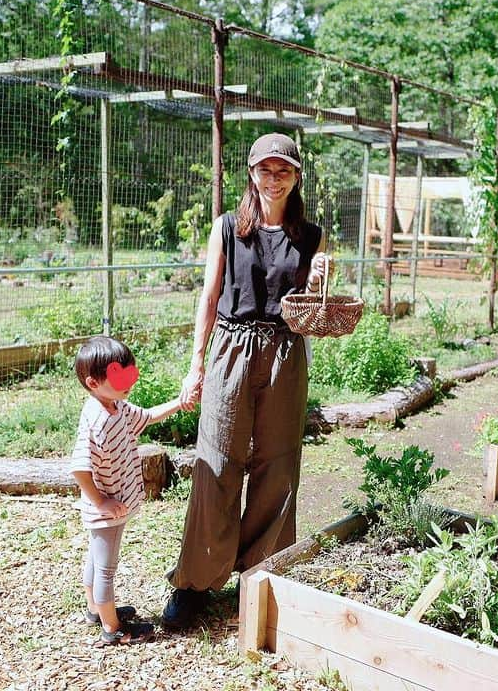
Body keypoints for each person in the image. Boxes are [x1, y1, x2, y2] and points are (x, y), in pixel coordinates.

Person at [161, 132, 328, 629]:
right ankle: (195, 582)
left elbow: (314, 309)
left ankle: (262, 576)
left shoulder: (311, 235)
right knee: (216, 461)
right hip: (231, 348)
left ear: (296, 177)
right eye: (265, 170)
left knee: (278, 465)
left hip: (284, 352)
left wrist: (319, 283)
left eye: (284, 171)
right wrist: (196, 364)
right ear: (250, 174)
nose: (274, 179)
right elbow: (209, 298)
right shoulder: (228, 227)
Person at [69, 335, 191, 646]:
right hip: (107, 510)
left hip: (114, 504)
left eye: (129, 373)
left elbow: (147, 416)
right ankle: (113, 630)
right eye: (118, 376)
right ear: (93, 382)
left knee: (96, 562)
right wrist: (101, 502)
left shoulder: (116, 406)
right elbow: (79, 467)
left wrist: (180, 402)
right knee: (105, 570)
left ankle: (96, 610)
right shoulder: (98, 420)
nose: (128, 382)